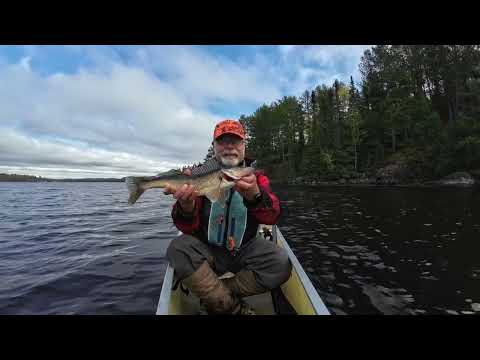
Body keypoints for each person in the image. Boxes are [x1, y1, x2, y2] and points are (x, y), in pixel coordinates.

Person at [164, 119, 292, 315]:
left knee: (281, 263)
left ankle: (217, 292)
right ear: (214, 147)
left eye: (236, 141)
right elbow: (186, 227)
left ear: (243, 146)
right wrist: (186, 207)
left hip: (246, 249)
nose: (230, 146)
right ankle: (232, 307)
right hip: (209, 250)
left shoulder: (258, 179)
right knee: (178, 248)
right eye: (223, 141)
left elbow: (273, 216)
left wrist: (256, 196)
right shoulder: (198, 175)